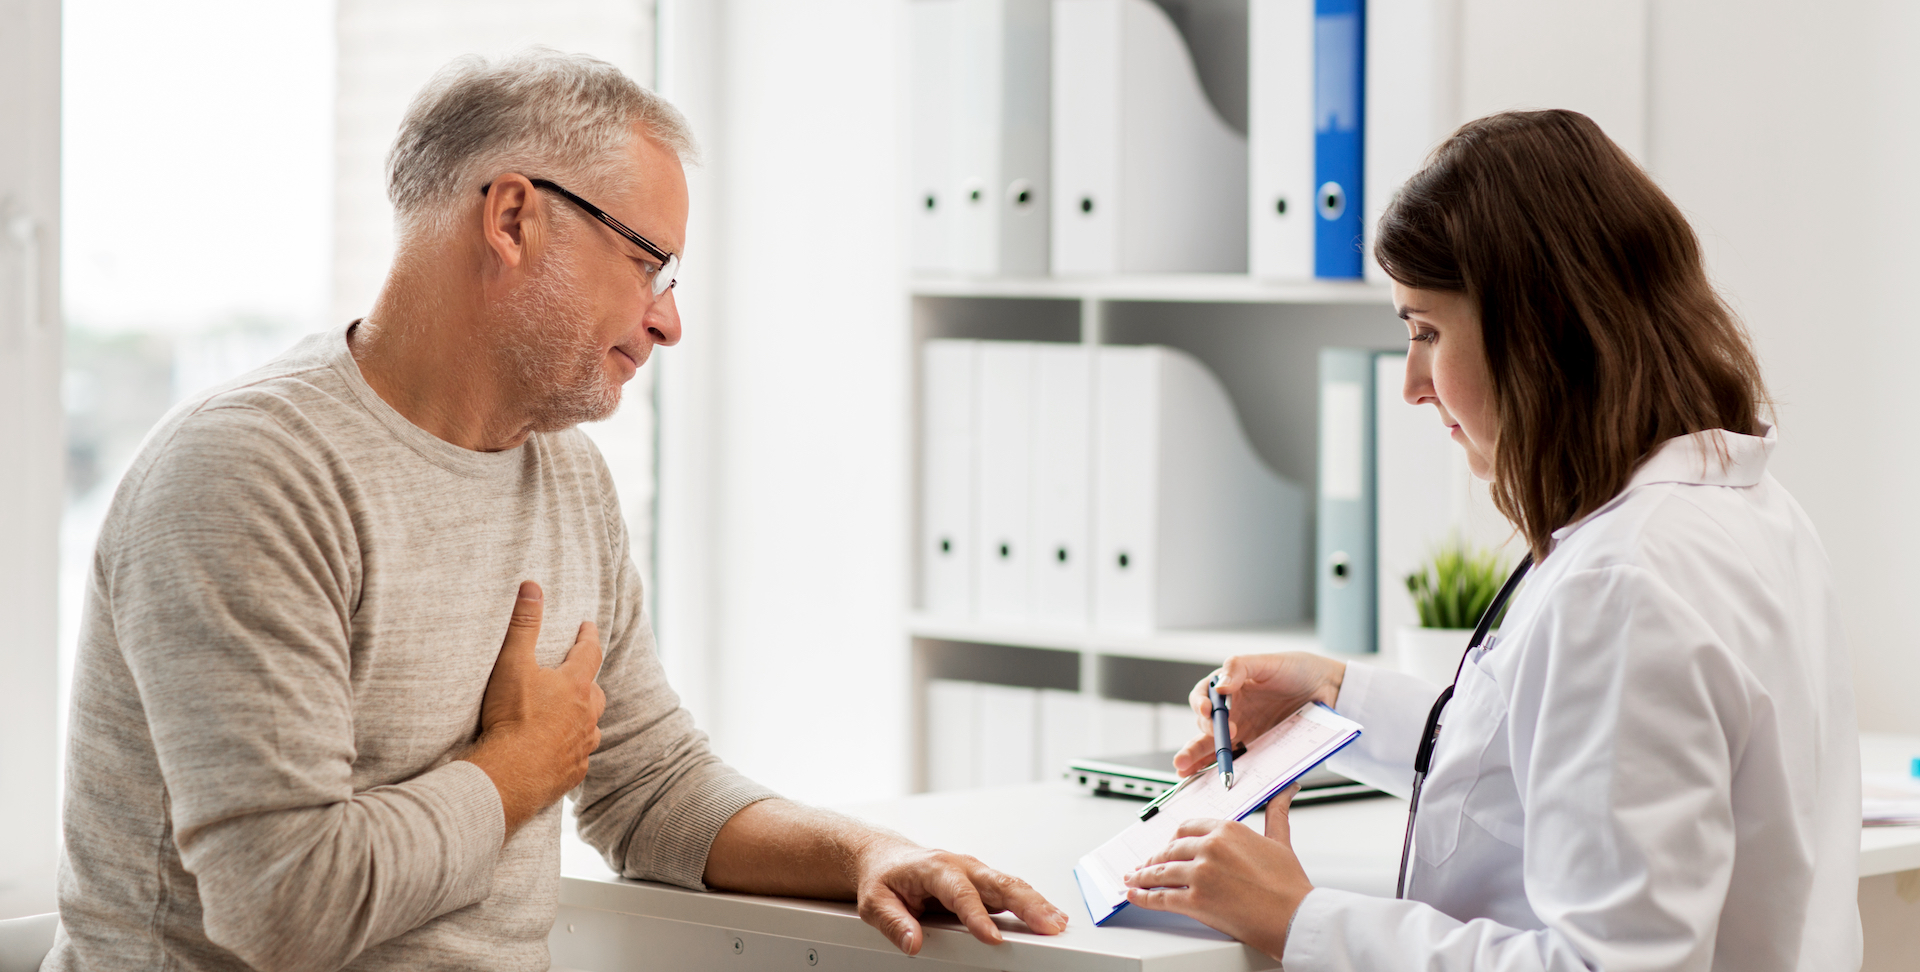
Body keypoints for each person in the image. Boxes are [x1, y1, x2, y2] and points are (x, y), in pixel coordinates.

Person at [50, 50, 1067, 972]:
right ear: (511, 218)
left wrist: (870, 854)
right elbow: (283, 903)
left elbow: (649, 785)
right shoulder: (249, 475)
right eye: (646, 263)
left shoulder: (568, 477)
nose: (668, 318)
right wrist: (513, 772)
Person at [1121, 109, 1861, 971]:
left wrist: (1302, 920)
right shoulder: (1743, 508)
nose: (1410, 385)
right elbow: (1528, 756)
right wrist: (1334, 695)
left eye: (1426, 331)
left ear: (1540, 330)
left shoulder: (1626, 581)